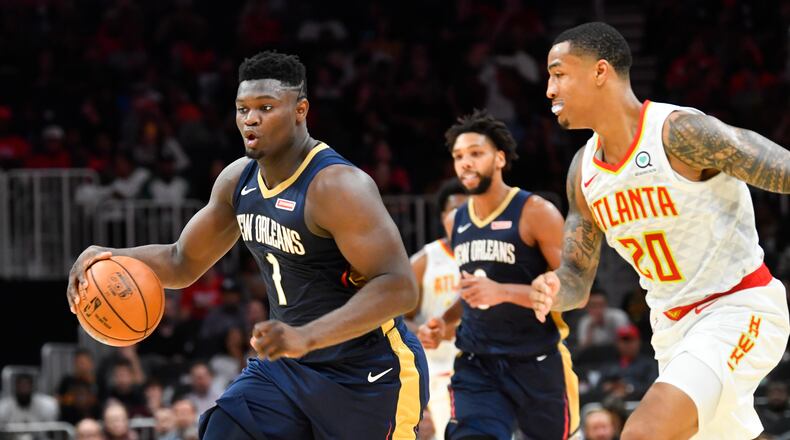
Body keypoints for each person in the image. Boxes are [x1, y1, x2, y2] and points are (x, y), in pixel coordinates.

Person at [66, 50, 428, 439]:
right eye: (242, 109)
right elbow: (181, 260)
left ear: (300, 110)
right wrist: (106, 256)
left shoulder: (337, 186)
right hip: (287, 366)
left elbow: (401, 287)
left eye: (266, 107)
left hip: (368, 373)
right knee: (224, 430)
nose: (250, 119)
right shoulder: (238, 180)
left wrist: (307, 336)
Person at [531, 21, 790, 439]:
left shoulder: (679, 133)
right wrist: (554, 287)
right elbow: (577, 280)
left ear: (600, 72)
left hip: (737, 308)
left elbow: (782, 170)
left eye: (559, 73)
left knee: (643, 432)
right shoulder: (583, 171)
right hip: (670, 331)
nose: (549, 89)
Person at [419, 109, 578, 439]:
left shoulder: (536, 212)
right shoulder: (458, 220)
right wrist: (444, 323)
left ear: (500, 158)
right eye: (459, 156)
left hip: (535, 361)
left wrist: (504, 292)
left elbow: (576, 288)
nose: (465, 163)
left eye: (476, 153)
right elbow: (472, 292)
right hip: (478, 363)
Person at [406, 178, 468, 440]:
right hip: (435, 366)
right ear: (443, 217)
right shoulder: (425, 260)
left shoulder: (488, 255)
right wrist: (420, 330)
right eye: (455, 211)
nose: (462, 217)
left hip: (477, 358)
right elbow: (396, 315)